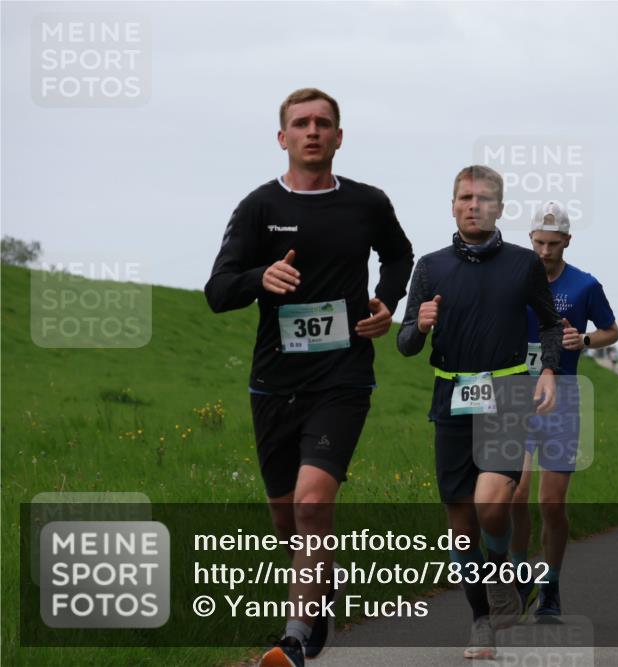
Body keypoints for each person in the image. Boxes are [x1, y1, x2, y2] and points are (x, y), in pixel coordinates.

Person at [204, 88, 415, 667]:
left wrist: (386, 300)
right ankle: (322, 591)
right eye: (301, 123)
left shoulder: (368, 203)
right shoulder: (258, 208)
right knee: (284, 518)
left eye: (324, 123)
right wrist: (259, 278)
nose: (313, 131)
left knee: (314, 502)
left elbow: (400, 256)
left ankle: (294, 637)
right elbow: (217, 291)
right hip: (274, 382)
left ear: (339, 137)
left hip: (343, 376)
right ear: (283, 138)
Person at [396, 165, 561, 659]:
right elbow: (404, 343)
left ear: (500, 209)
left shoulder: (522, 264)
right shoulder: (429, 266)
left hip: (507, 393)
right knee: (462, 524)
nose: (474, 205)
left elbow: (551, 325)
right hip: (450, 398)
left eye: (484, 199)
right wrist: (420, 326)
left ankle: (502, 574)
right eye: (465, 197)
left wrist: (549, 371)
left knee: (492, 501)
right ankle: (482, 619)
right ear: (452, 205)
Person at [510, 201, 618, 619]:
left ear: (567, 242)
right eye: (538, 242)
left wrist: (586, 342)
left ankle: (550, 583)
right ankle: (521, 576)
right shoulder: (515, 277)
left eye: (553, 244)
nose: (544, 251)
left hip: (564, 399)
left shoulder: (585, 285)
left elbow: (611, 330)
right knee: (515, 494)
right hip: (518, 396)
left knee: (550, 504)